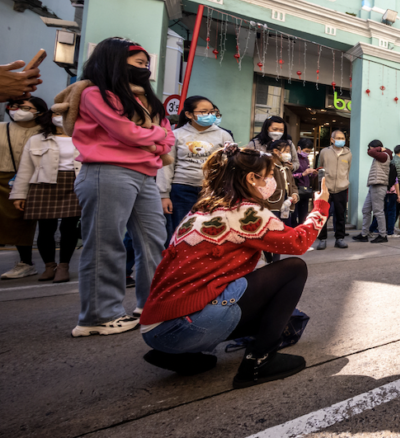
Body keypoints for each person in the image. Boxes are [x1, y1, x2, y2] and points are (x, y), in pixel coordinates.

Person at [140, 145, 329, 387]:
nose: (273, 181)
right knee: (293, 269)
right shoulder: (243, 211)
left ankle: (179, 354)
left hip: (156, 329)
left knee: (271, 302)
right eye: (270, 174)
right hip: (184, 327)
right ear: (252, 178)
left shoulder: (201, 210)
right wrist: (321, 206)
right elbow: (298, 242)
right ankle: (260, 360)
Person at [54, 38, 175, 336]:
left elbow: (168, 138)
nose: (145, 69)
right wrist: (153, 135)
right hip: (108, 171)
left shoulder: (147, 101)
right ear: (115, 61)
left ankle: (152, 305)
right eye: (138, 63)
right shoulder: (95, 94)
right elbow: (125, 131)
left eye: (147, 64)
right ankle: (98, 315)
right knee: (105, 243)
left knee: (153, 243)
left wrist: (150, 134)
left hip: (146, 175)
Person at [10, 104, 81, 282]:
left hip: (75, 184)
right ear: (49, 116)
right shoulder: (37, 139)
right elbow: (25, 168)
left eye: (64, 114)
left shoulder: (82, 138)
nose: (59, 117)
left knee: (69, 228)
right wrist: (19, 194)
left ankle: (64, 266)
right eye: (56, 113)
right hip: (43, 184)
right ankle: (49, 266)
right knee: (46, 229)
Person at [158, 96, 234, 247]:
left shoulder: (223, 135)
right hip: (181, 189)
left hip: (213, 190)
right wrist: (163, 194)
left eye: (211, 111)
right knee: (182, 232)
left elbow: (230, 166)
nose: (209, 115)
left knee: (210, 232)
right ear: (189, 114)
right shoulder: (176, 134)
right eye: (203, 112)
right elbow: (166, 166)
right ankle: (179, 265)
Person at [0, 97, 45, 279]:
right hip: (2, 175)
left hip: (29, 179)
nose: (18, 110)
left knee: (22, 221)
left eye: (26, 108)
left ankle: (26, 262)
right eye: (15, 107)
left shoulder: (43, 132)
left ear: (39, 112)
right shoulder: (2, 127)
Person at [261, 139, 299, 262]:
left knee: (281, 232)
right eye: (286, 151)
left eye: (289, 151)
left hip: (286, 205)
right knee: (271, 232)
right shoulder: (269, 167)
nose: (288, 154)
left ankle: (276, 259)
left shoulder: (287, 168)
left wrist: (294, 194)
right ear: (276, 151)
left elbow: (292, 184)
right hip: (272, 205)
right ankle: (267, 253)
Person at [315, 130, 351, 250]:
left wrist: (345, 182)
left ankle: (339, 239)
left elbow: (348, 170)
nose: (341, 140)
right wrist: (321, 186)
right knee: (323, 214)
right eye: (338, 138)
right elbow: (320, 167)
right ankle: (322, 239)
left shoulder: (348, 153)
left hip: (341, 187)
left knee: (340, 214)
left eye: (343, 138)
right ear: (332, 139)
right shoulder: (324, 152)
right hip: (327, 188)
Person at [353, 140, 390, 243]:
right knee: (366, 210)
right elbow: (371, 152)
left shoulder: (384, 155)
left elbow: (371, 152)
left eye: (370, 147)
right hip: (373, 186)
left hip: (379, 186)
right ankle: (364, 234)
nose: (369, 150)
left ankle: (383, 235)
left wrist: (378, 149)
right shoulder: (380, 156)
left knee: (378, 212)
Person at [292, 138, 317, 228]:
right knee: (294, 215)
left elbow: (307, 175)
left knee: (304, 215)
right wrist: (303, 174)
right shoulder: (293, 159)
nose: (307, 153)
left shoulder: (306, 159)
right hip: (296, 190)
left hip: (305, 191)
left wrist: (312, 173)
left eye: (309, 151)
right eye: (306, 151)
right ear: (299, 148)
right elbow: (290, 176)